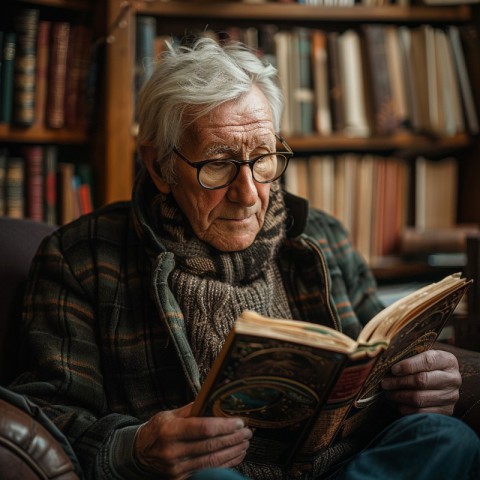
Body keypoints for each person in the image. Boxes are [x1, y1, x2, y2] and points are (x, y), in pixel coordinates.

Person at [9, 36, 479, 480]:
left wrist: (422, 380)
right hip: (210, 475)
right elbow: (51, 412)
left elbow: (381, 353)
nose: (249, 193)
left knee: (445, 438)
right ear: (159, 166)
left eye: (264, 157)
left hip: (341, 468)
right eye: (218, 164)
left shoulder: (321, 237)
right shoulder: (80, 258)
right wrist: (135, 447)